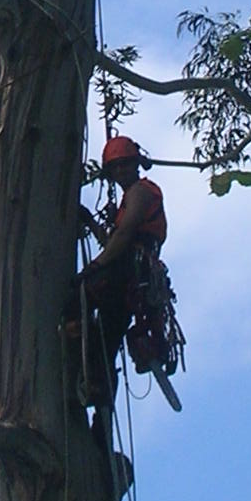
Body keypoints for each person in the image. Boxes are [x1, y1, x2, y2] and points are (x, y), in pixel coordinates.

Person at [71, 134, 167, 404]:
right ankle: (95, 393)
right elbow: (113, 240)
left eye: (125, 165)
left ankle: (87, 371)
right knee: (105, 343)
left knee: (75, 299)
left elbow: (123, 238)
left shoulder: (143, 191)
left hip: (128, 273)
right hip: (127, 276)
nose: (120, 171)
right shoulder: (129, 199)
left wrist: (93, 268)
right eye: (116, 167)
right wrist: (90, 222)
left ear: (136, 164)